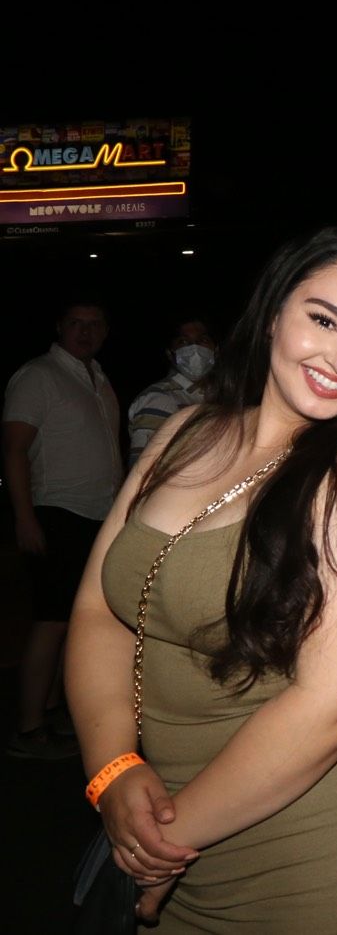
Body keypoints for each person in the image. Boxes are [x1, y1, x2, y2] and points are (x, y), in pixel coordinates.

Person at [63, 228, 337, 931]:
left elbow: (333, 704)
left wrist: (159, 845)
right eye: (323, 319)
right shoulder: (184, 431)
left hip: (318, 857)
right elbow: (99, 611)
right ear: (274, 313)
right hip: (170, 831)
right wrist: (112, 767)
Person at [4, 297, 120, 759]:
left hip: (96, 514)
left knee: (75, 623)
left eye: (95, 324)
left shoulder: (97, 378)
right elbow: (13, 450)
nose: (85, 331)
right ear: (59, 327)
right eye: (76, 323)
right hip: (57, 511)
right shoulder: (38, 375)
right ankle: (28, 729)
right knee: (51, 621)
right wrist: (24, 516)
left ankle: (51, 708)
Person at [127, 317, 216, 468]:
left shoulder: (217, 397)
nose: (194, 349)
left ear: (216, 350)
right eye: (183, 342)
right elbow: (142, 471)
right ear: (170, 353)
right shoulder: (159, 399)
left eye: (202, 340)